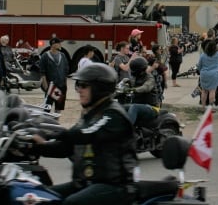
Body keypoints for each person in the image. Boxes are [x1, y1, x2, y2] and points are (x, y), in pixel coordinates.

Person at [31, 64, 138, 205]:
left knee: (72, 203)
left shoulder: (113, 114)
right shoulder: (89, 114)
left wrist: (51, 132)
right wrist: (34, 147)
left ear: (99, 88)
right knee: (40, 196)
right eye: (77, 85)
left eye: (83, 85)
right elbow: (67, 148)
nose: (79, 90)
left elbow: (85, 133)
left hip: (115, 185)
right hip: (85, 183)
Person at [123, 57, 161, 125]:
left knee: (134, 107)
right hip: (140, 105)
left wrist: (133, 90)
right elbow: (128, 83)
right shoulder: (135, 78)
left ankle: (127, 129)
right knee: (121, 107)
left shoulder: (150, 78)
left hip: (152, 107)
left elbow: (146, 88)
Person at [39, 37, 69, 114]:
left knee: (58, 107)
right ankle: (46, 123)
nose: (60, 45)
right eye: (58, 43)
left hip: (61, 85)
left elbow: (65, 71)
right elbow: (42, 73)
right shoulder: (45, 56)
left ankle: (56, 123)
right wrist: (46, 86)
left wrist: (65, 84)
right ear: (53, 44)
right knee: (47, 108)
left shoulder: (62, 55)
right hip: (51, 86)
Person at [198, 39, 218, 109]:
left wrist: (201, 71)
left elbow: (199, 66)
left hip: (204, 74)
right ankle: (210, 108)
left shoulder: (202, 55)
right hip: (214, 75)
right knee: (212, 91)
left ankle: (203, 107)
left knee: (204, 91)